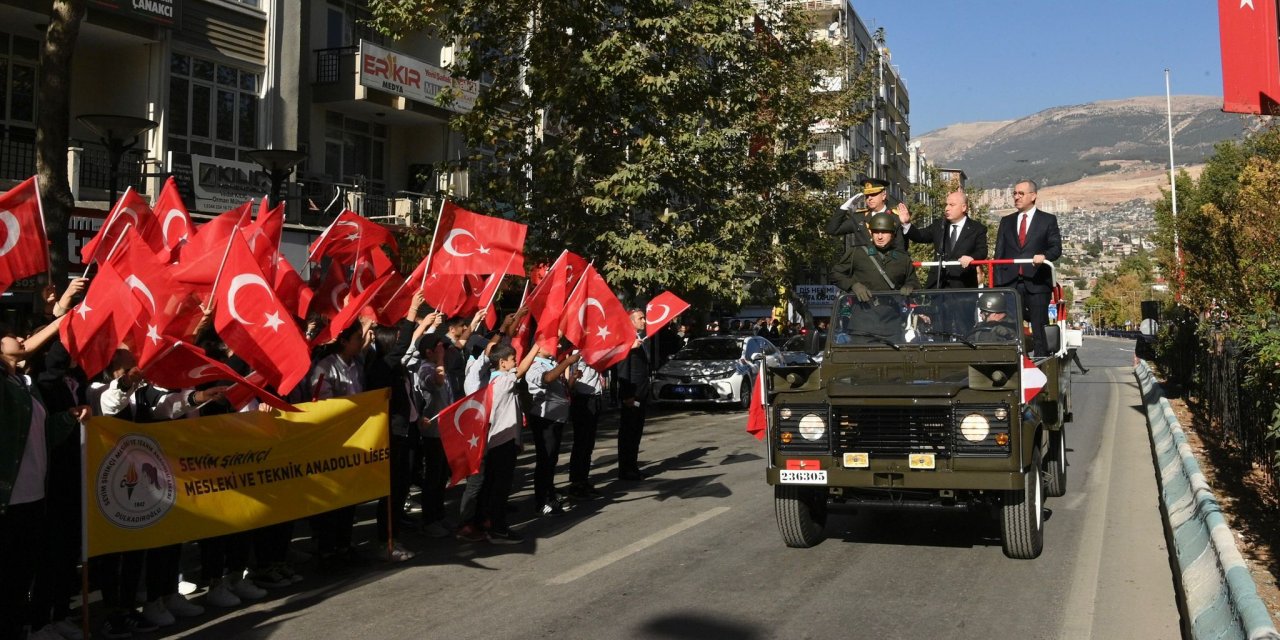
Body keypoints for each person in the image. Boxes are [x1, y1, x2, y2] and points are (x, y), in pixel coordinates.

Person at [994, 179, 1062, 357]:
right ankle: (1015, 363)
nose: (1016, 197)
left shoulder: (1047, 220)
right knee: (1010, 328)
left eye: (1021, 194)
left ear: (1033, 196)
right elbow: (998, 255)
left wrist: (1044, 256)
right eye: (1014, 193)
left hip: (1037, 282)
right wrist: (997, 286)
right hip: (1010, 284)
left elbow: (1056, 248)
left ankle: (1041, 365)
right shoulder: (1006, 222)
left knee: (1039, 326)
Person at [525, 344, 580, 515]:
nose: (557, 345)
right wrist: (567, 362)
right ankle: (541, 502)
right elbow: (547, 379)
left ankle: (550, 494)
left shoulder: (550, 361)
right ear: (539, 348)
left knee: (552, 459)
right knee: (545, 459)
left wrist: (573, 379)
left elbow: (562, 388)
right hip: (544, 418)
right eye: (552, 343)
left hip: (556, 417)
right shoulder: (535, 365)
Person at [615, 309, 653, 481]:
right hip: (632, 395)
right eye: (640, 318)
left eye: (644, 318)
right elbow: (623, 369)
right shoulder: (626, 341)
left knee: (636, 432)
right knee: (628, 433)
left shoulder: (639, 340)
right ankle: (625, 469)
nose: (644, 321)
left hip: (641, 393)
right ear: (630, 321)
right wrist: (627, 395)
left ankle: (633, 466)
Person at [826, 178, 906, 251]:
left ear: (883, 195)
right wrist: (844, 208)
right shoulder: (859, 217)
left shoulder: (896, 216)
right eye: (867, 195)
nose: (869, 198)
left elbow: (901, 246)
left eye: (874, 194)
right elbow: (833, 230)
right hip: (865, 264)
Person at [566, 357, 605, 500]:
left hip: (594, 398)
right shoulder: (581, 354)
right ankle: (576, 483)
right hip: (583, 399)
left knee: (588, 444)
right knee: (581, 443)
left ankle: (583, 480)